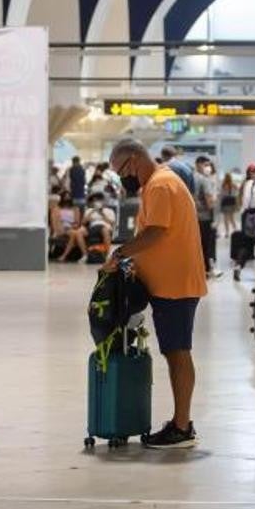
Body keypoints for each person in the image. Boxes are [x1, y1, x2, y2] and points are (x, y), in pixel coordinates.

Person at [104, 139, 206, 449]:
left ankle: (182, 426)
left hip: (175, 286)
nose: (123, 179)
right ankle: (181, 422)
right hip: (170, 283)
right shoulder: (158, 183)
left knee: (177, 352)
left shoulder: (160, 185)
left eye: (122, 171)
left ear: (134, 160)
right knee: (174, 351)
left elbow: (156, 232)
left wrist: (121, 253)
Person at [193, 156, 222, 279]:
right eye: (206, 165)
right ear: (198, 164)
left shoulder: (191, 178)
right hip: (205, 217)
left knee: (198, 244)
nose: (208, 168)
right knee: (206, 245)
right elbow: (209, 201)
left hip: (194, 216)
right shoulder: (204, 180)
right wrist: (214, 203)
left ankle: (200, 269)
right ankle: (206, 270)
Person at [62, 192, 116, 259]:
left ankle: (107, 254)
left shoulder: (109, 211)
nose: (97, 202)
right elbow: (83, 223)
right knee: (79, 232)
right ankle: (85, 255)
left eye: (99, 200)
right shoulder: (89, 211)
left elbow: (112, 223)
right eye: (95, 201)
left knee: (104, 230)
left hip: (105, 227)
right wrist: (92, 212)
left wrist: (102, 214)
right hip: (93, 227)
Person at [219, 171, 239, 238]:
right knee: (232, 218)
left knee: (226, 218)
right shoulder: (233, 185)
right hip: (232, 202)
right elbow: (236, 194)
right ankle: (235, 229)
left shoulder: (223, 185)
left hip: (225, 202)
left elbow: (221, 195)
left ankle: (227, 232)